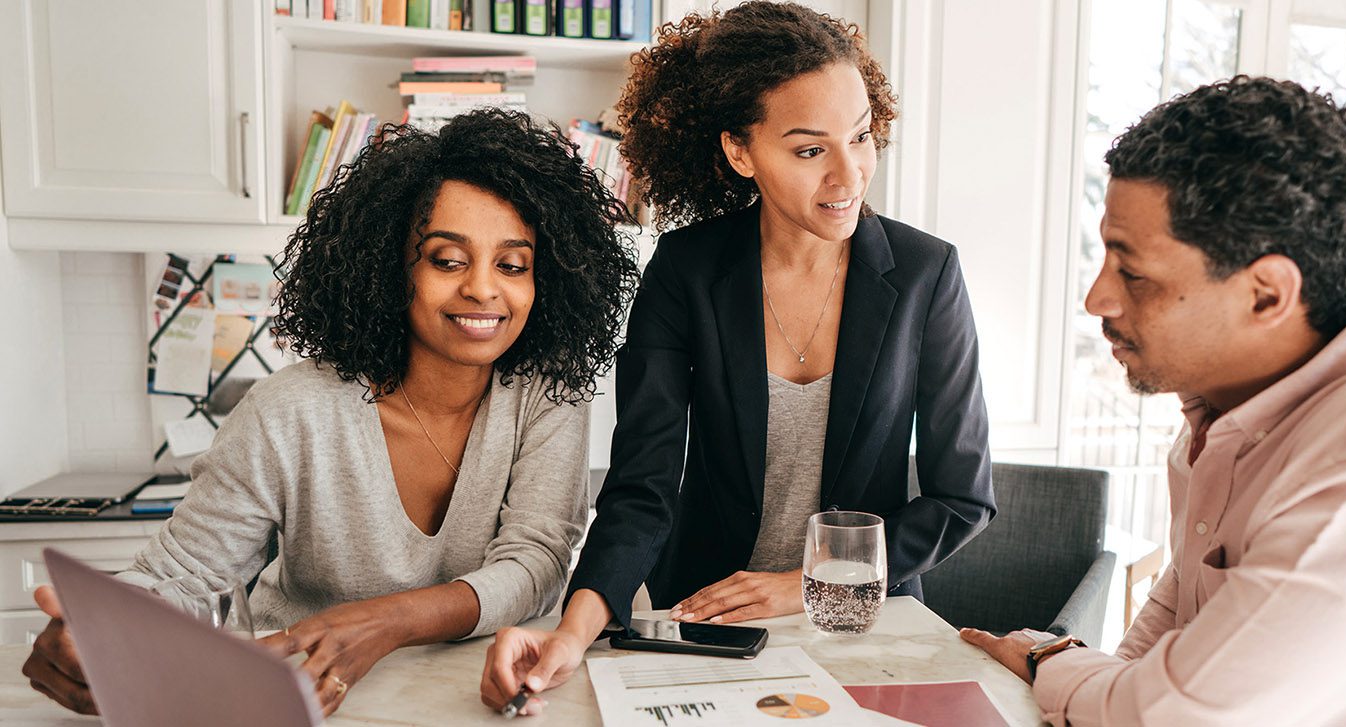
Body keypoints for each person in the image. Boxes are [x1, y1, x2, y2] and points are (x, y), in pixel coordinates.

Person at [960, 76, 1346, 725]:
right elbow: (1184, 596)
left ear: (1267, 294)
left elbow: (1178, 714)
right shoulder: (1229, 404)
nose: (1098, 298)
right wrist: (1094, 693)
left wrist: (1055, 662)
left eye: (1133, 271)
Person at [21, 109, 640, 717]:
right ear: (392, 266)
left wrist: (387, 620)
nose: (482, 288)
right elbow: (180, 577)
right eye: (447, 260)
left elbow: (535, 563)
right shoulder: (290, 410)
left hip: (486, 698)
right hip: (301, 699)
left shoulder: (546, 396)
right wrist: (100, 628)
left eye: (513, 264)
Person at [480, 2, 996, 715]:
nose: (849, 175)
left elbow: (960, 497)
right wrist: (573, 631)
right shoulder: (685, 272)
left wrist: (806, 582)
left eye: (862, 136)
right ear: (740, 151)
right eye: (811, 150)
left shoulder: (925, 274)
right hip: (707, 615)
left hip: (861, 621)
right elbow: (643, 482)